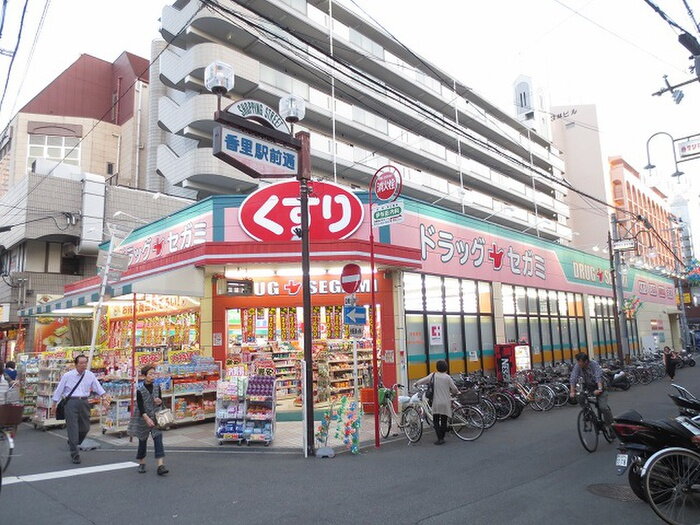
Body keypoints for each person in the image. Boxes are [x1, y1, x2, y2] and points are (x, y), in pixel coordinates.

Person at [51, 355, 108, 464]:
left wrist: (104, 397)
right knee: (72, 428)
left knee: (85, 428)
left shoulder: (90, 375)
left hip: (84, 402)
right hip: (71, 402)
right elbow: (59, 390)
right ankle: (75, 454)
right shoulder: (68, 375)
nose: (83, 365)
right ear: (76, 364)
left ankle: (74, 442)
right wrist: (54, 404)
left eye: (85, 362)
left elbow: (98, 387)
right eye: (81, 363)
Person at [128, 365, 169, 475]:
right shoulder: (140, 390)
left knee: (158, 438)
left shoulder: (157, 387)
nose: (153, 376)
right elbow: (140, 407)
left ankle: (160, 465)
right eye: (150, 374)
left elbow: (161, 401)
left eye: (154, 374)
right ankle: (142, 463)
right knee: (142, 440)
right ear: (144, 376)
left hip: (156, 417)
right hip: (143, 418)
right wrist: (146, 419)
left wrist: (159, 401)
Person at [414, 360, 459, 445]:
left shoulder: (433, 375)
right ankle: (443, 436)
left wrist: (416, 383)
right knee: (444, 420)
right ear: (446, 368)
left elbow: (424, 380)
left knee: (436, 421)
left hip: (436, 402)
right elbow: (454, 389)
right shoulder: (447, 377)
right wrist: (456, 392)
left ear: (437, 367)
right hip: (445, 402)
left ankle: (440, 438)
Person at [569, 352, 613, 426]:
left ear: (586, 361)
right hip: (589, 387)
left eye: (580, 361)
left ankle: (611, 425)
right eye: (578, 361)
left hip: (600, 387)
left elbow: (598, 377)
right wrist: (572, 391)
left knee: (603, 407)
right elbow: (573, 378)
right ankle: (587, 412)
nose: (578, 363)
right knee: (580, 397)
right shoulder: (578, 366)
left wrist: (599, 389)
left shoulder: (594, 364)